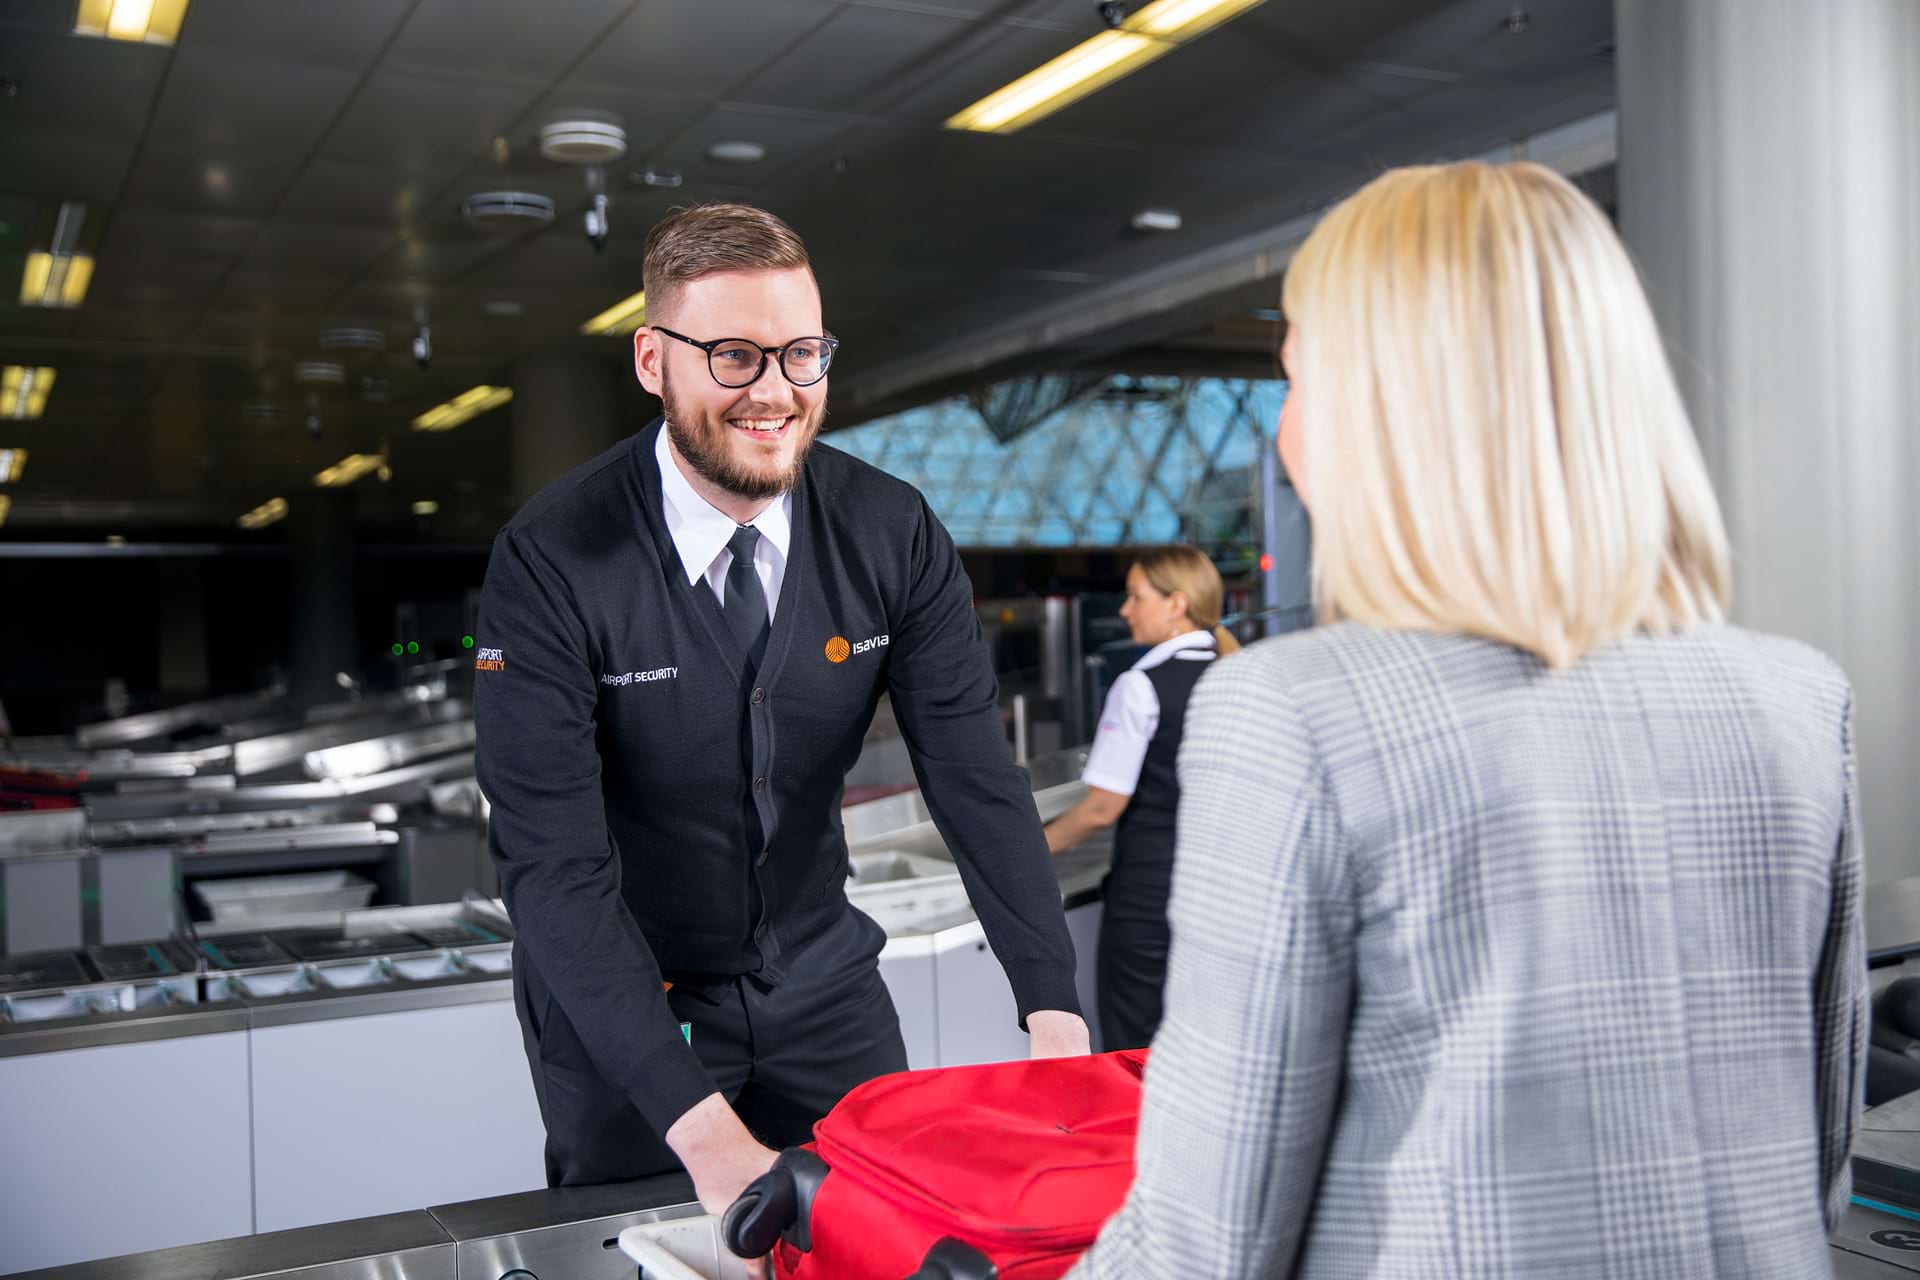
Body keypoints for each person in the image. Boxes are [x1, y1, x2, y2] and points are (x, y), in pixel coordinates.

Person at [1070, 161, 1864, 1278]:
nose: (1289, 435)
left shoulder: (1296, 713)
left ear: (1389, 414)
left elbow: (1206, 1241)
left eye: (1297, 379)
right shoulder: (1794, 697)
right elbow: (1815, 1153)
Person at [474, 203, 1089, 1214]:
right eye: (732, 355)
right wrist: (705, 1128)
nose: (776, 393)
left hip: (824, 984)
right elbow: (552, 867)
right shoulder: (553, 558)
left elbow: (975, 778)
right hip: (633, 1008)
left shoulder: (891, 531)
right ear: (650, 360)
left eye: (802, 353)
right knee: (651, 1245)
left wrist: (1053, 1007)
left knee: (877, 1229)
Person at [1043, 545, 1239, 1050]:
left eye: (1135, 597)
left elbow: (1101, 809)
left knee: (1137, 1056)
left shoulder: (1141, 686)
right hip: (1228, 893)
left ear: (1176, 604)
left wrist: (1023, 855)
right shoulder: (1242, 676)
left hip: (1154, 899)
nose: (1125, 610)